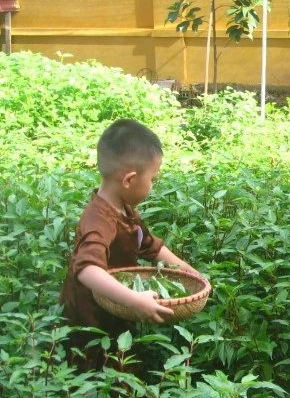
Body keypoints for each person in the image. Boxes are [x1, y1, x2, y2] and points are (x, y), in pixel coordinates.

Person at [59, 119, 200, 371]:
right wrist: (134, 300)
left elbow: (150, 246)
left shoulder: (126, 211)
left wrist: (186, 270)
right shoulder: (98, 220)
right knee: (94, 373)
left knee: (121, 362)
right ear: (129, 180)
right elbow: (87, 269)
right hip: (89, 318)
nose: (153, 186)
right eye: (153, 179)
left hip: (116, 308)